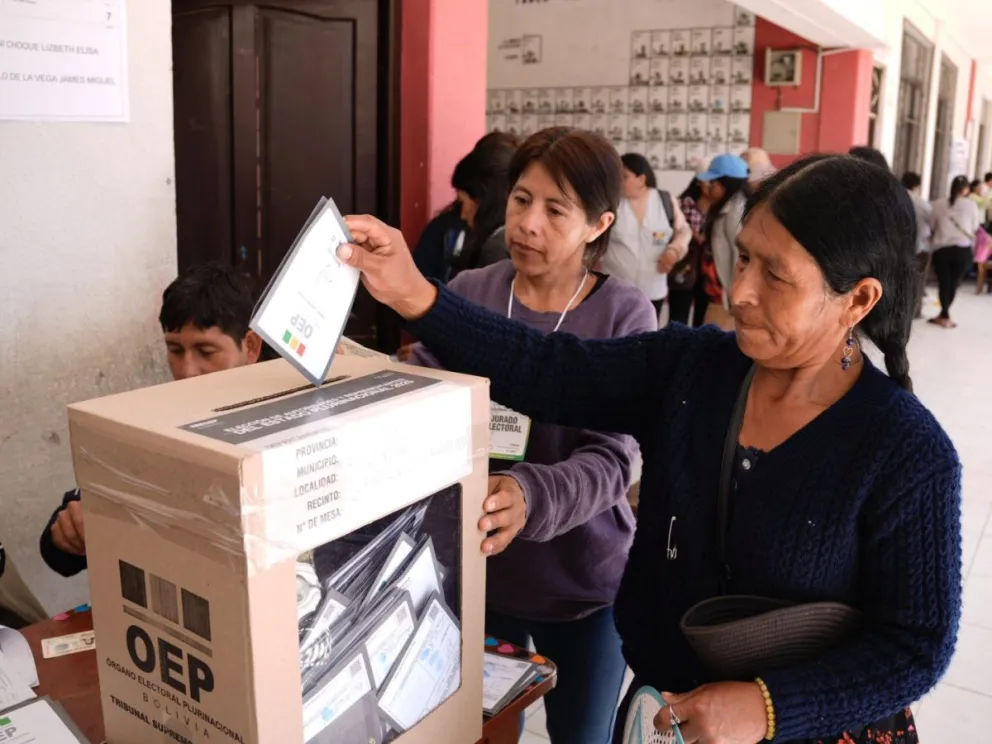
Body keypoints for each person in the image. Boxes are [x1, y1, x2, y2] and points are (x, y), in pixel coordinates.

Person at [337, 153, 961, 744]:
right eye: (744, 258)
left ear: (858, 299)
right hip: (659, 716)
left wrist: (767, 705)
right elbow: (548, 369)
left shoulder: (905, 451)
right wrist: (416, 295)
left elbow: (916, 645)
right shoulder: (692, 369)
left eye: (775, 275)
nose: (741, 291)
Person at [408, 128, 657, 744]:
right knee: (482, 733)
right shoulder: (470, 293)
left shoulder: (624, 314)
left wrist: (530, 494)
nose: (528, 224)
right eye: (521, 200)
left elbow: (614, 457)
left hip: (582, 589)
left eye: (555, 210)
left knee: (581, 735)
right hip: (478, 577)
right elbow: (421, 388)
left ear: (598, 224)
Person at [41, 264, 264, 577]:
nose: (187, 370)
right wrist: (68, 532)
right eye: (175, 350)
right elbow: (59, 552)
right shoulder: (151, 428)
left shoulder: (288, 423)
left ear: (250, 347)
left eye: (206, 351)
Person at [602, 153, 691, 318]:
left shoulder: (664, 200)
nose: (618, 182)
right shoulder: (611, 203)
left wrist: (674, 251)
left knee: (647, 332)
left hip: (653, 291)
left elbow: (683, 231)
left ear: (641, 179)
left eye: (624, 177)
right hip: (615, 291)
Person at [448, 132, 520, 279]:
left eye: (462, 203)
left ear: (483, 201)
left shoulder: (495, 251)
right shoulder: (513, 239)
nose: (462, 215)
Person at [696, 153, 750, 330]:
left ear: (726, 184)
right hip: (718, 295)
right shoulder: (724, 207)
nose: (709, 188)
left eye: (713, 183)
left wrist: (735, 295)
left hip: (727, 298)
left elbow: (739, 256)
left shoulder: (736, 211)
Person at [929, 174, 981, 328]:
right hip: (962, 250)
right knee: (953, 282)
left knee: (943, 282)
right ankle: (945, 314)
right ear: (966, 189)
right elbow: (975, 227)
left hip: (942, 250)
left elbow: (932, 226)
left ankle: (944, 314)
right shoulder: (971, 205)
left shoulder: (938, 204)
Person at [670, 176, 711, 326]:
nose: (711, 185)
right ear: (699, 182)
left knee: (702, 316)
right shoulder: (686, 203)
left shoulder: (719, 205)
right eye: (708, 180)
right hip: (685, 264)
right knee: (679, 314)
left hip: (706, 268)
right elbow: (682, 230)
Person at [901, 171, 933, 318]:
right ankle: (915, 310)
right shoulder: (922, 203)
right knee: (917, 280)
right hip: (919, 247)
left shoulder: (894, 199)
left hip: (897, 248)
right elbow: (933, 222)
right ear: (916, 186)